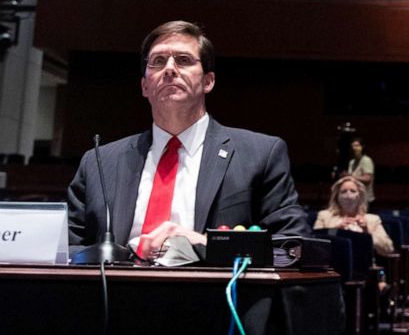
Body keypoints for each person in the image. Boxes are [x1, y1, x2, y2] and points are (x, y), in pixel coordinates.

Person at [67, 20, 310, 260]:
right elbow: (66, 249)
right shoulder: (99, 162)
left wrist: (207, 244)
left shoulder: (260, 154)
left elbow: (291, 247)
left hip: (212, 295)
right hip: (115, 293)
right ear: (144, 86)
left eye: (183, 60)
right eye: (158, 62)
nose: (170, 69)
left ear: (208, 81)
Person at [313, 176, 394, 255]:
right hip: (333, 264)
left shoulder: (373, 219)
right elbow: (314, 245)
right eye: (343, 191)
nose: (348, 195)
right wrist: (336, 231)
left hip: (364, 265)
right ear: (336, 196)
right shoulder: (324, 216)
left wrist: (367, 233)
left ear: (360, 196)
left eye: (353, 191)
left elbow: (388, 248)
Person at [346, 136, 375, 203]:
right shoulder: (351, 162)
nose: (354, 148)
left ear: (362, 147)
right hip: (354, 198)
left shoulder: (366, 160)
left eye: (357, 146)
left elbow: (368, 179)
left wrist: (351, 177)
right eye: (352, 146)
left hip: (365, 199)